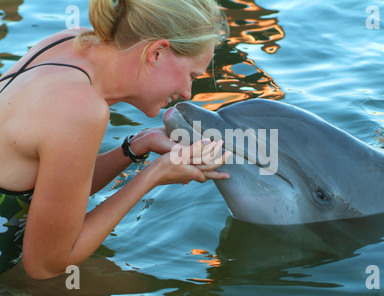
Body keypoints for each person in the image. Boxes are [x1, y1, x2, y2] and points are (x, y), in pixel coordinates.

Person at [0, 0, 230, 280]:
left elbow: (50, 186)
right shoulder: (81, 108)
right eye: (191, 75)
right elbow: (46, 266)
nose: (187, 93)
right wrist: (153, 175)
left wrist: (134, 147)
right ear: (157, 52)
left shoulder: (68, 44)